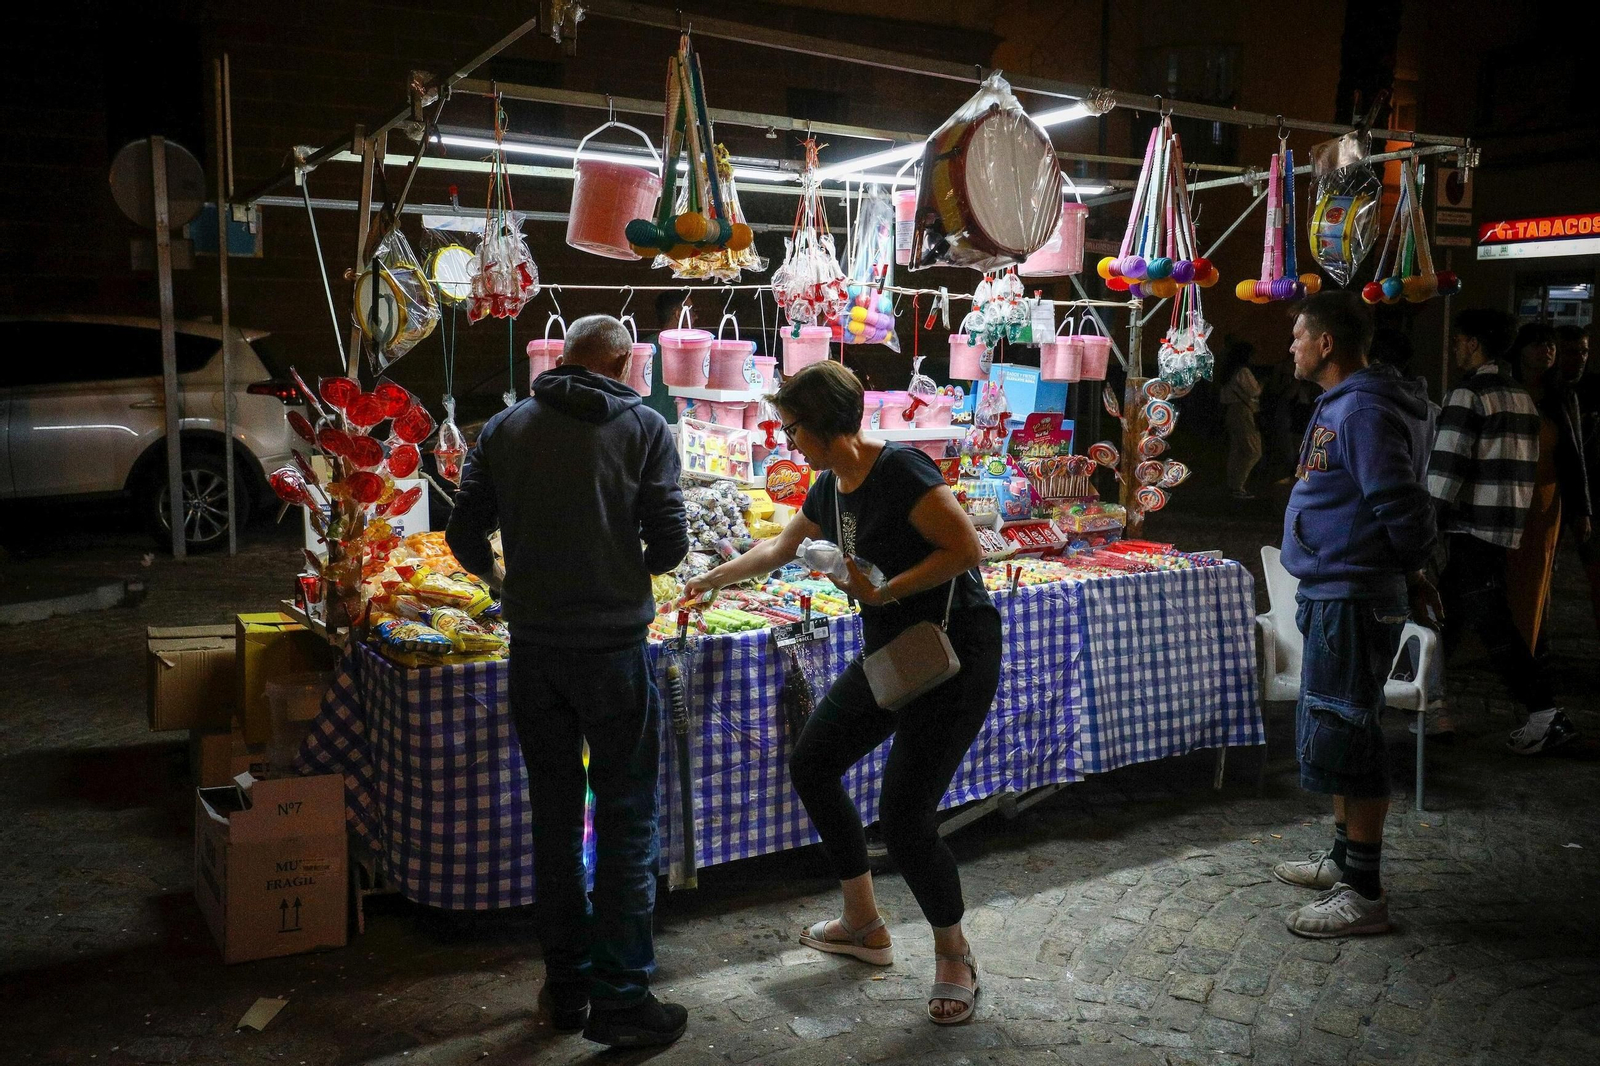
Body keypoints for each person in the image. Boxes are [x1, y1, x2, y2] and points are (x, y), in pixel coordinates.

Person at [682, 361, 1001, 1025]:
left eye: (793, 427)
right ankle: (863, 923)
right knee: (814, 761)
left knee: (907, 819)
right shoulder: (830, 486)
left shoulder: (902, 470)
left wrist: (882, 592)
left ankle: (954, 953)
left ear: (828, 428)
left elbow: (965, 550)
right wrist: (706, 582)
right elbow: (777, 549)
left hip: (953, 654)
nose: (786, 438)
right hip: (894, 655)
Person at [445, 314, 691, 1048]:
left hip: (535, 653)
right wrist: (617, 566)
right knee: (624, 819)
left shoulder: (506, 428)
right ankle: (622, 998)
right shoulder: (646, 430)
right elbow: (671, 544)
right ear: (618, 361)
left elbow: (464, 534)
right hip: (613, 651)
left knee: (553, 817)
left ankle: (566, 988)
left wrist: (504, 581)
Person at [1269, 291, 1439, 939]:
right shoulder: (1345, 405)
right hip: (1335, 588)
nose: (1290, 345)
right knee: (1336, 727)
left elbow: (1401, 503)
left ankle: (1364, 892)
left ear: (1327, 344)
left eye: (1297, 335)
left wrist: (1413, 569)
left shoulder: (1363, 409)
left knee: (1353, 732)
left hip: (1354, 593)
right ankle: (1344, 859)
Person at [1426, 309, 1578, 755]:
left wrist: (1424, 526)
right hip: (1505, 525)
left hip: (1472, 528)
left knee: (1491, 625)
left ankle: (1545, 711)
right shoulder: (1519, 396)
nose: (1455, 348)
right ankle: (1426, 703)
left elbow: (1444, 473)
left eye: (1459, 341)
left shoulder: (1467, 395)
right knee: (1446, 617)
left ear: (1473, 343)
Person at [1505, 323, 1592, 657]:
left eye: (1550, 346)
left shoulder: (1561, 396)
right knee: (1509, 568)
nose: (1547, 351)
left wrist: (1581, 508)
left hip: (1545, 496)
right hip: (1509, 492)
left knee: (1539, 569)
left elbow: (1574, 455)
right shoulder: (1507, 389)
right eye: (1538, 344)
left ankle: (1532, 641)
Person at [1556, 323, 1600, 635]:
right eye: (1573, 352)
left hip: (1592, 491)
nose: (1580, 358)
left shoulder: (1593, 390)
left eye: (1584, 351)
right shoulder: (1548, 392)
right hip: (1552, 491)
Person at [1218, 342, 1264, 498]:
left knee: (1237, 449)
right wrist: (1262, 385)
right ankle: (1237, 486)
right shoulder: (1243, 371)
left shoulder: (1228, 372)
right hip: (1243, 411)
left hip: (1231, 411)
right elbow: (1254, 390)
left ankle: (1233, 485)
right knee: (1253, 450)